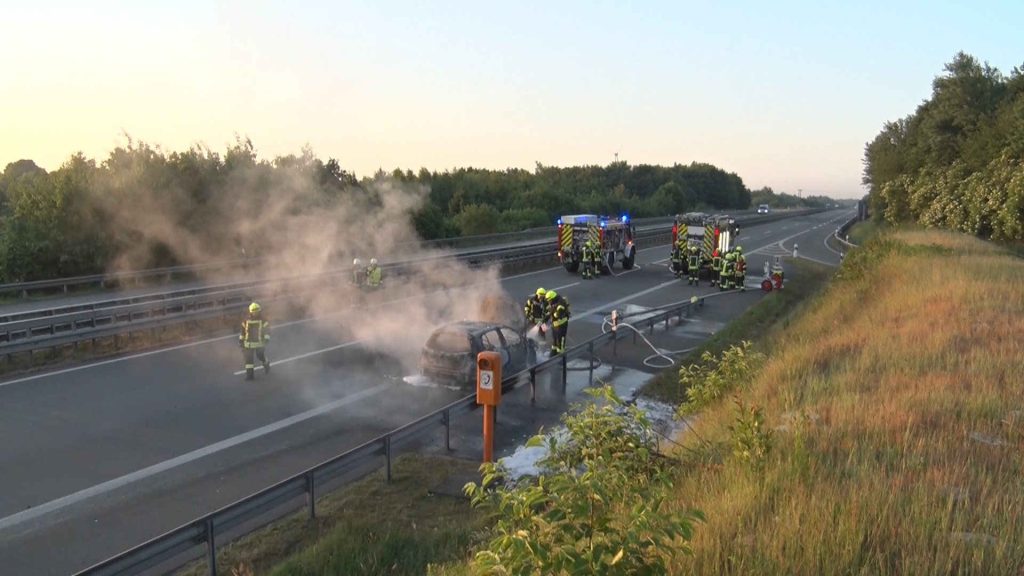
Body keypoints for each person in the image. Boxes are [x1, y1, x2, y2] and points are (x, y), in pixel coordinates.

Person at [239, 302, 270, 380]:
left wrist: (266, 338)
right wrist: (241, 341)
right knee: (248, 361)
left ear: (259, 311)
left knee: (260, 356)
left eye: (257, 312)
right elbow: (243, 332)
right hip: (248, 344)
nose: (255, 313)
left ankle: (266, 363)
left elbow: (267, 330)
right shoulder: (245, 321)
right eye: (254, 312)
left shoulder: (263, 321)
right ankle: (250, 376)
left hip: (259, 343)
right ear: (251, 312)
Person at [546, 289, 570, 355]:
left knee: (560, 342)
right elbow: (550, 311)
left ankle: (561, 356)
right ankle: (553, 354)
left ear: (553, 298)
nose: (549, 302)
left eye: (549, 300)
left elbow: (558, 315)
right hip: (555, 326)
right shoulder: (554, 302)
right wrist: (545, 319)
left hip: (561, 326)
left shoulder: (561, 304)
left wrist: (553, 313)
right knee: (554, 341)